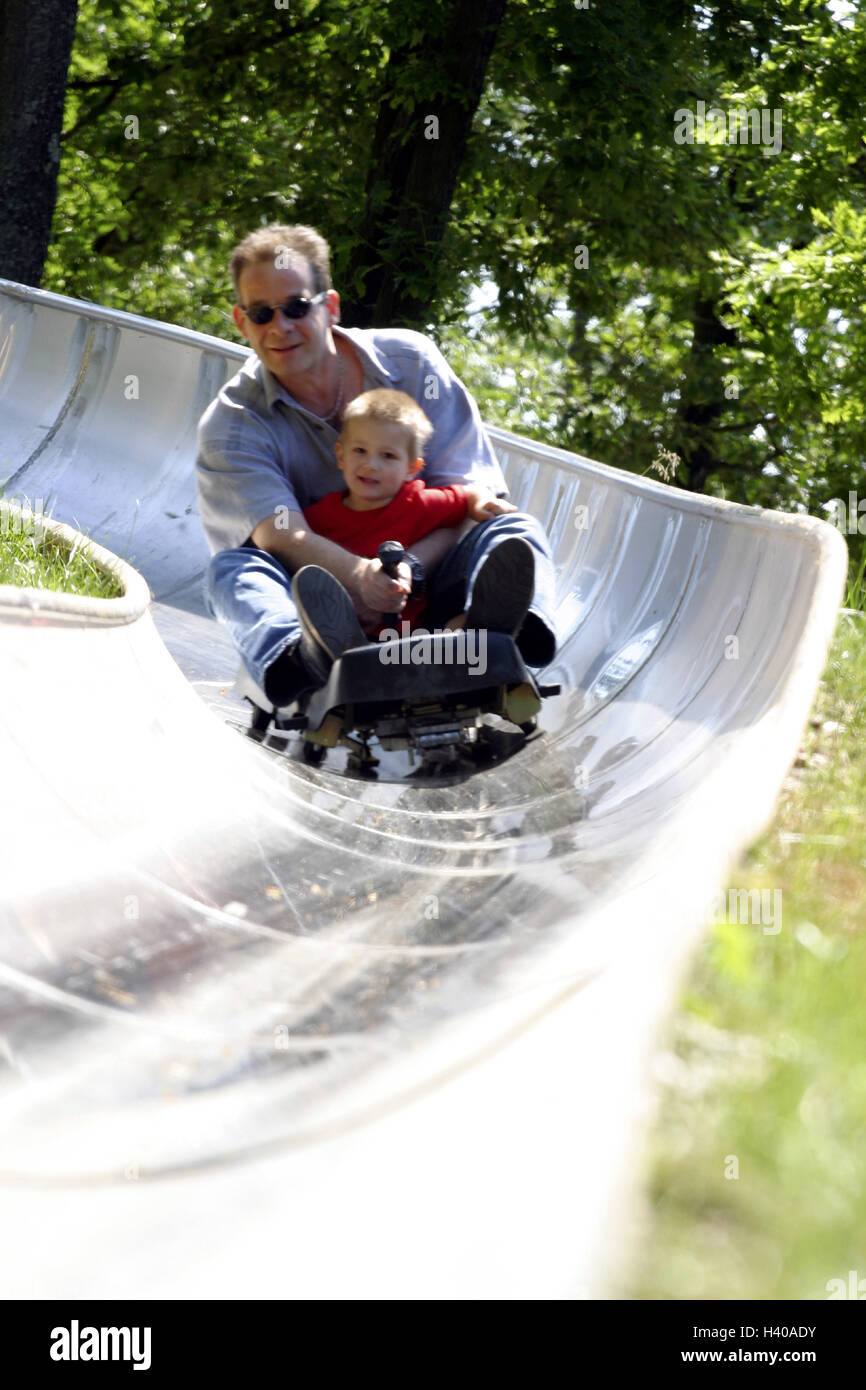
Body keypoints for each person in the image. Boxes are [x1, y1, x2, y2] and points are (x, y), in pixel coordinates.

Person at [196, 223, 558, 707]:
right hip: (322, 599)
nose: (280, 327)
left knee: (514, 529)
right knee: (231, 569)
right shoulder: (233, 424)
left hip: (433, 587)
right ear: (242, 323)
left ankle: (494, 636)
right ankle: (307, 658)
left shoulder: (411, 363)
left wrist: (407, 571)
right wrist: (361, 580)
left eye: (297, 307)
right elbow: (280, 535)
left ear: (330, 307)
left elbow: (471, 499)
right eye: (262, 314)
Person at [299, 387, 523, 639]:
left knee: (451, 630)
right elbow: (294, 556)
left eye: (388, 456)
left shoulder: (417, 502)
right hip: (345, 632)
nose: (370, 465)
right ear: (341, 455)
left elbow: (466, 495)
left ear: (411, 468)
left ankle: (484, 628)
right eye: (360, 451)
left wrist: (484, 503)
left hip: (410, 636)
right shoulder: (318, 518)